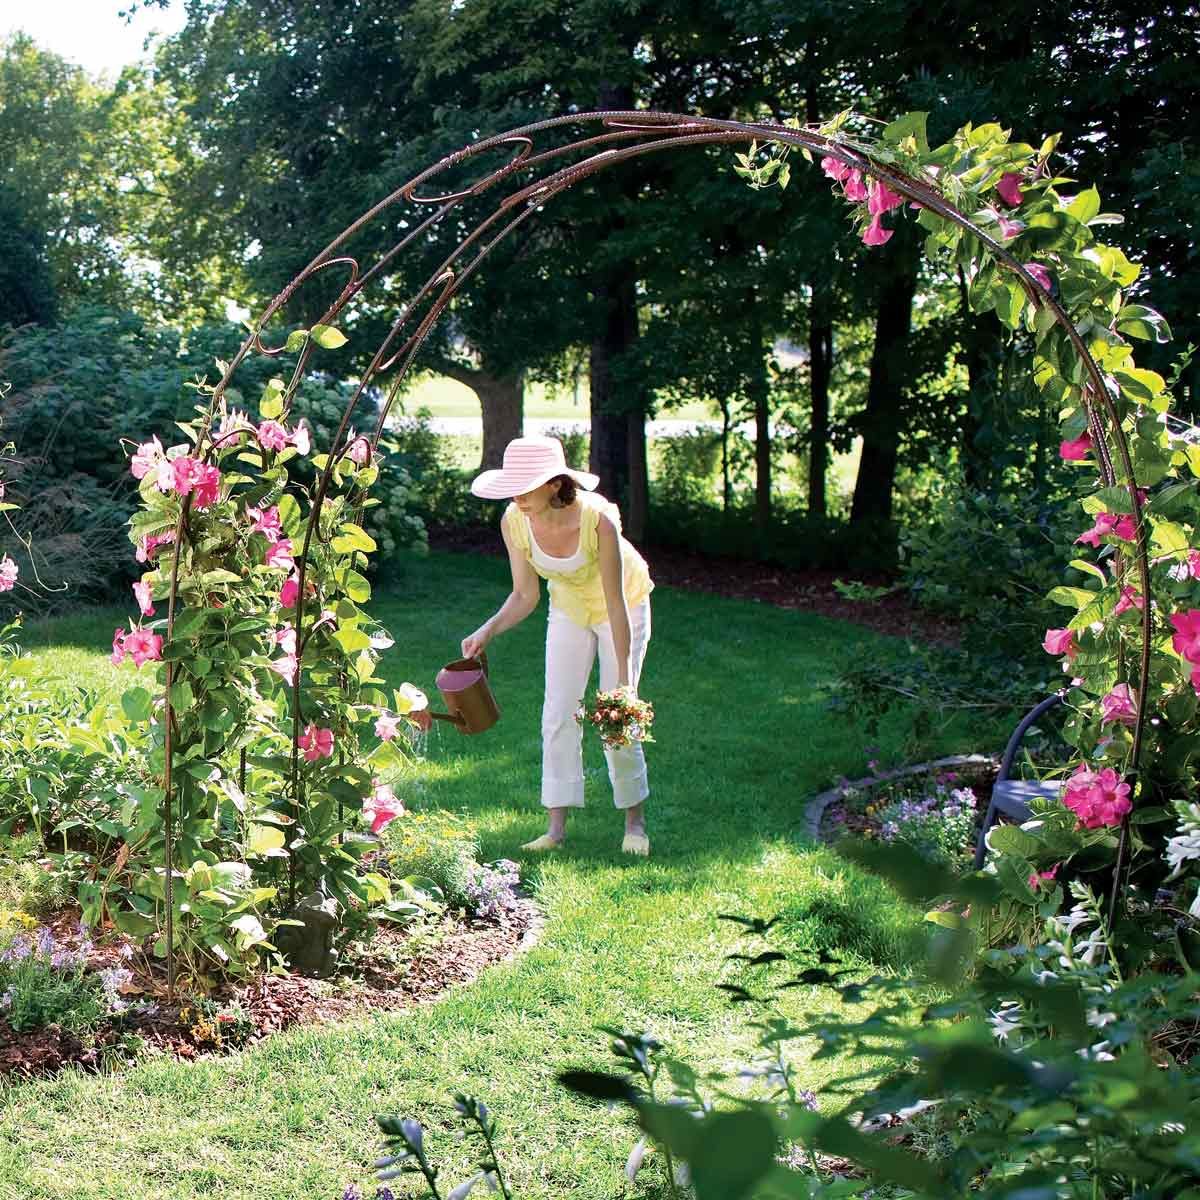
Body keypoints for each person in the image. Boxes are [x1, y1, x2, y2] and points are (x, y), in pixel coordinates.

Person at [462, 435, 654, 856]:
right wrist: (487, 630)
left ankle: (635, 824)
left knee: (615, 716)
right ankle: (555, 830)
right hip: (568, 606)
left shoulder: (597, 520)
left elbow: (617, 602)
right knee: (557, 713)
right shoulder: (515, 521)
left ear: (554, 484)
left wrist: (622, 682)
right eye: (513, 485)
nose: (517, 496)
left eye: (526, 485)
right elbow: (525, 595)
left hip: (621, 606)